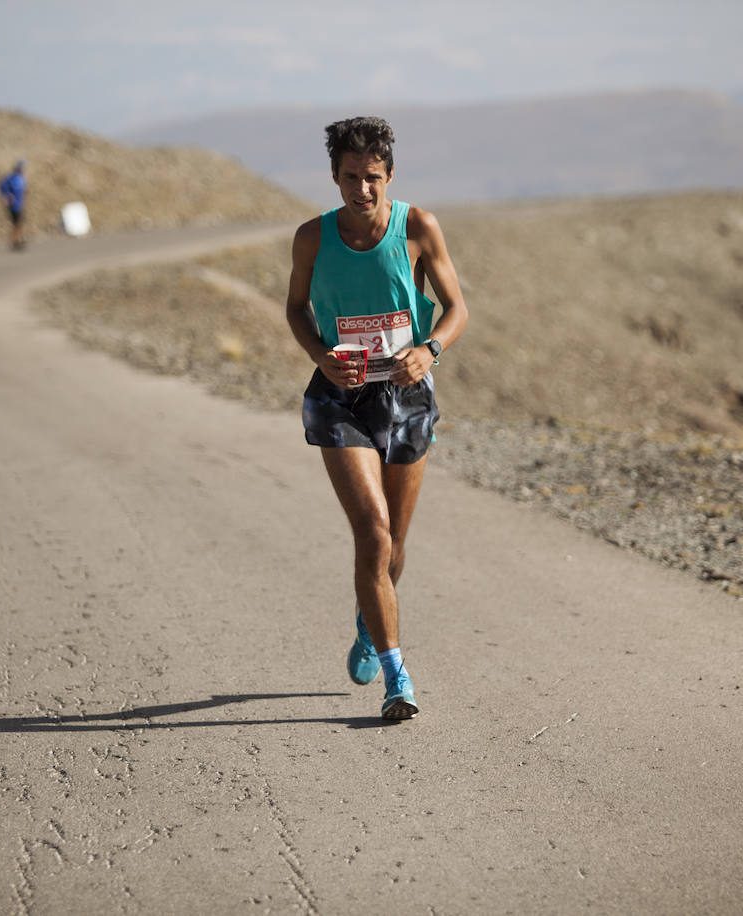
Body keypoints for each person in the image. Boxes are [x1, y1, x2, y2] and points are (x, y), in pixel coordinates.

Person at [284, 116, 469, 720]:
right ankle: (399, 679)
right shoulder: (312, 237)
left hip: (406, 395)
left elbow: (457, 308)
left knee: (396, 549)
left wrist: (429, 349)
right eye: (349, 178)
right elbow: (294, 309)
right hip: (341, 398)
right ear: (333, 176)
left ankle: (369, 623)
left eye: (372, 178)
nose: (361, 190)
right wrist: (320, 355)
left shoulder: (417, 227)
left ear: (390, 175)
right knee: (373, 530)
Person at [0, 159, 27, 250]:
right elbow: (2, 186)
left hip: (20, 204)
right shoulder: (12, 178)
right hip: (13, 205)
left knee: (20, 223)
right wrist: (6, 196)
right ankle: (15, 241)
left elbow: (23, 190)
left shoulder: (22, 178)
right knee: (16, 224)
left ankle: (20, 239)